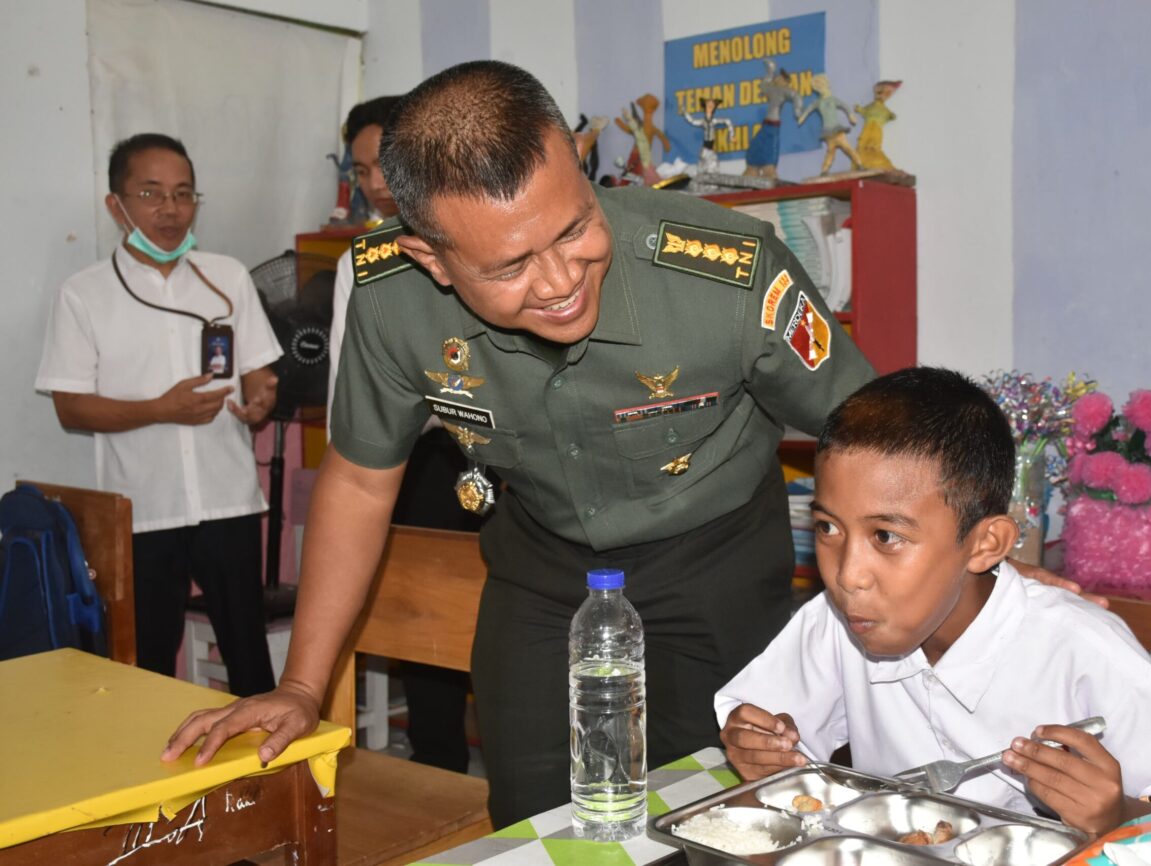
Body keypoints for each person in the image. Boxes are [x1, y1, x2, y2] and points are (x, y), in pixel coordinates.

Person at [162, 61, 1089, 827]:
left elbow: (880, 434)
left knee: (723, 816)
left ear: (579, 167)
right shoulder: (392, 304)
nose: (562, 282)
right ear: (433, 261)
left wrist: (987, 557)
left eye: (575, 230)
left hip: (718, 557)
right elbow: (362, 486)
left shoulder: (726, 274)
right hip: (543, 567)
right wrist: (300, 684)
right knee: (533, 817)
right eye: (511, 266)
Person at [716, 367, 1151, 837]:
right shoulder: (840, 621)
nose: (849, 575)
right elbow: (763, 718)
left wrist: (1121, 815)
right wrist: (755, 740)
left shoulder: (1079, 647)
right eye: (828, 527)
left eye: (886, 537)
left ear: (985, 544)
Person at [36, 133, 281, 697]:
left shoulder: (227, 275)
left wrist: (261, 397)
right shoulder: (84, 294)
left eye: (183, 194)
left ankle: (266, 778)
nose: (170, 209)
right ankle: (160, 781)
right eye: (150, 193)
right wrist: (159, 409)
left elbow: (260, 371)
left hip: (228, 501)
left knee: (249, 657)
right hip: (143, 510)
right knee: (148, 668)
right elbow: (71, 408)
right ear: (114, 205)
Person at [327, 95, 479, 773]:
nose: (377, 183)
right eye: (362, 171)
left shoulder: (479, 232)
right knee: (427, 626)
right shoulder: (360, 263)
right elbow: (350, 388)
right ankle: (440, 773)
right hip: (416, 462)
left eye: (385, 163)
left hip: (501, 460)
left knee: (512, 626)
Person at [743, 60, 803, 179]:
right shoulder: (772, 89)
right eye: (779, 76)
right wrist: (770, 71)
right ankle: (752, 168)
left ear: (785, 81)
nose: (779, 78)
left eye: (781, 78)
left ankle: (769, 169)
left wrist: (797, 109)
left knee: (771, 146)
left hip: (773, 124)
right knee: (756, 143)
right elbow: (764, 85)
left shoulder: (785, 91)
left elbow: (796, 96)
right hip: (766, 123)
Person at [796, 74, 864, 176]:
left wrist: (850, 115)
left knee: (847, 148)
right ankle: (824, 170)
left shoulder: (833, 99)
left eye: (822, 86)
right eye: (818, 87)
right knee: (830, 151)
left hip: (837, 130)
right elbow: (808, 109)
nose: (821, 89)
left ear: (826, 86)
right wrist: (802, 117)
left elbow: (844, 106)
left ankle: (859, 163)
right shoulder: (818, 102)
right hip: (828, 132)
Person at [855, 79, 902, 171]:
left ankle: (872, 158)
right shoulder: (871, 106)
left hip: (877, 127)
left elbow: (890, 115)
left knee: (874, 142)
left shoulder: (884, 109)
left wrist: (892, 116)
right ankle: (863, 159)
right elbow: (864, 111)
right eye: (879, 92)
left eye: (886, 93)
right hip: (868, 126)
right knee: (864, 141)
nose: (880, 95)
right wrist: (859, 109)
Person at [680, 98, 734, 175]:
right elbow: (692, 121)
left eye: (712, 106)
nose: (710, 107)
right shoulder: (703, 122)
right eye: (709, 105)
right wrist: (685, 113)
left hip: (709, 149)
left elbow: (727, 121)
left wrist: (731, 135)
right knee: (708, 165)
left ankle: (705, 178)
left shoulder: (713, 121)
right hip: (706, 149)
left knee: (709, 166)